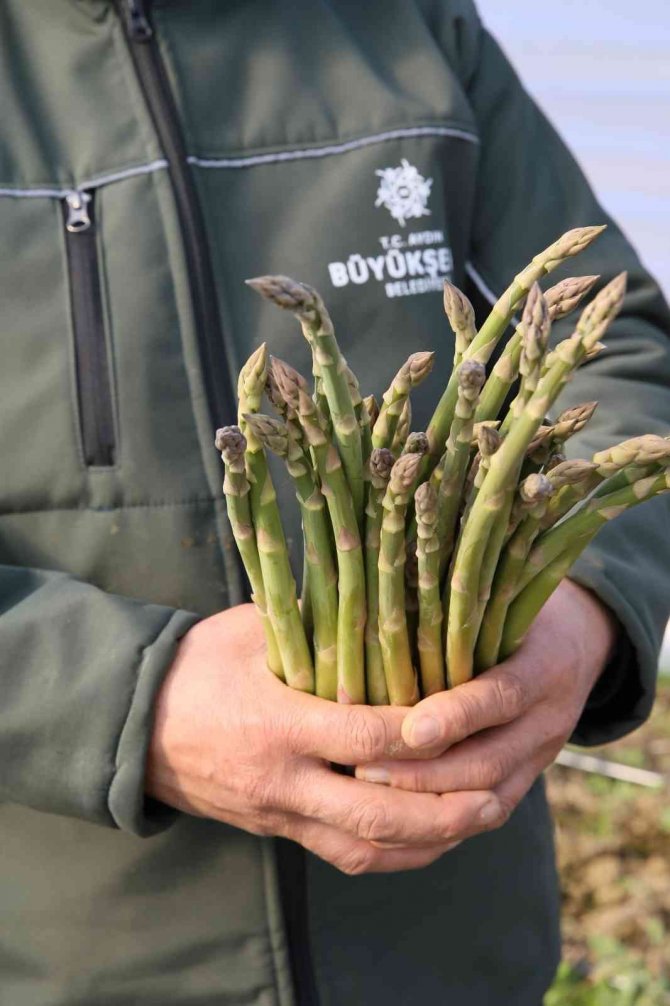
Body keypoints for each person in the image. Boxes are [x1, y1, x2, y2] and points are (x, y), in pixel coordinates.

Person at [1, 1, 669, 1003]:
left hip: (453, 963)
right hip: (58, 962)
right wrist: (125, 699)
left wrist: (576, 605)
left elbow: (616, 356)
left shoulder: (405, 21)